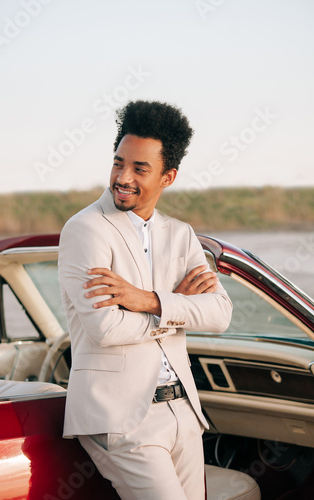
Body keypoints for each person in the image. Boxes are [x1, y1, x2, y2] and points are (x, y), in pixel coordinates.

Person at [58, 100, 232, 500]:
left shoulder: (181, 234)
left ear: (168, 177)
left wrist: (149, 300)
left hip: (184, 412)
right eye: (119, 163)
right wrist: (177, 308)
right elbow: (106, 329)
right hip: (120, 418)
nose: (123, 178)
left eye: (139, 169)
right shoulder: (86, 230)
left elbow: (220, 313)